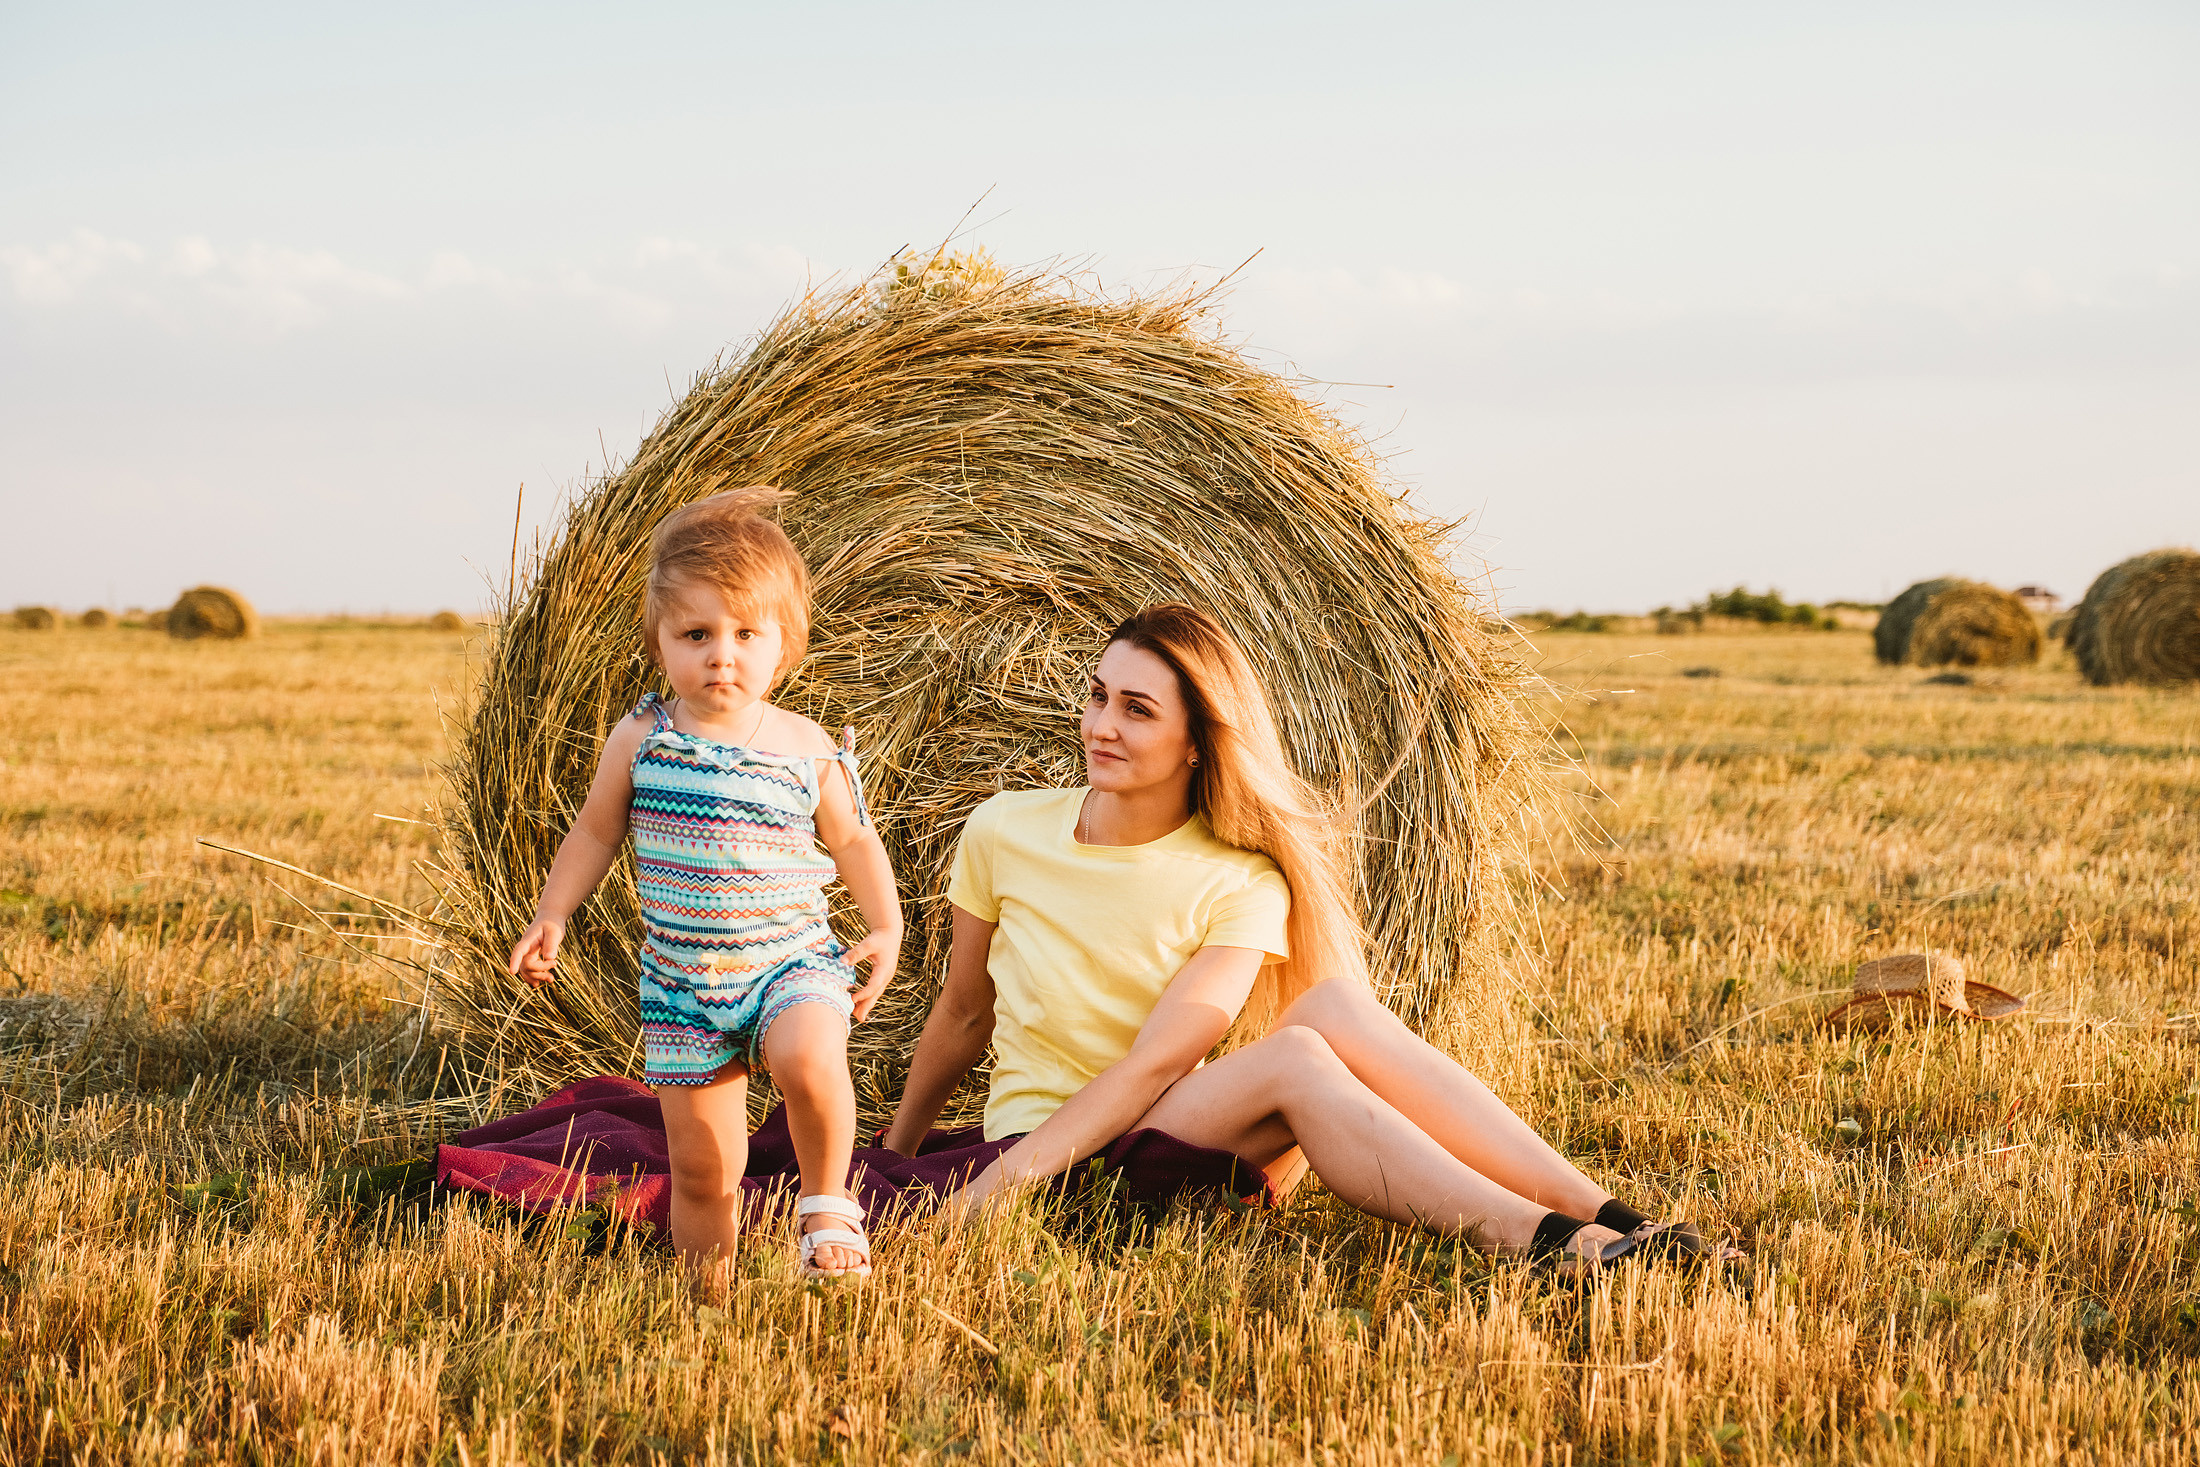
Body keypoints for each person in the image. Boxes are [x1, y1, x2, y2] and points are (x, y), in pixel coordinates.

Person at [880, 603, 1728, 1273]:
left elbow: (1156, 1067)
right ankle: (1540, 1241)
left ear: (1196, 743)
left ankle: (1614, 1219)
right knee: (1296, 1056)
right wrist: (903, 1155)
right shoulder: (1003, 829)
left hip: (1149, 1131)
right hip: (1047, 1157)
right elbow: (962, 1011)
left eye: (1138, 709)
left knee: (1331, 1006)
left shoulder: (1241, 880)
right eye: (1099, 694)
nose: (1102, 724)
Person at [506, 487, 900, 1283]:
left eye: (746, 633)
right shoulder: (642, 738)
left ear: (784, 644)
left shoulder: (806, 745)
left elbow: (855, 837)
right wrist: (554, 911)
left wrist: (886, 926)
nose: (722, 653)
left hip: (790, 961)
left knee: (811, 1057)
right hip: (683, 985)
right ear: (659, 642)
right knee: (702, 1172)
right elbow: (593, 831)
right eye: (696, 634)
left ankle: (828, 1205)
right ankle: (706, 1298)